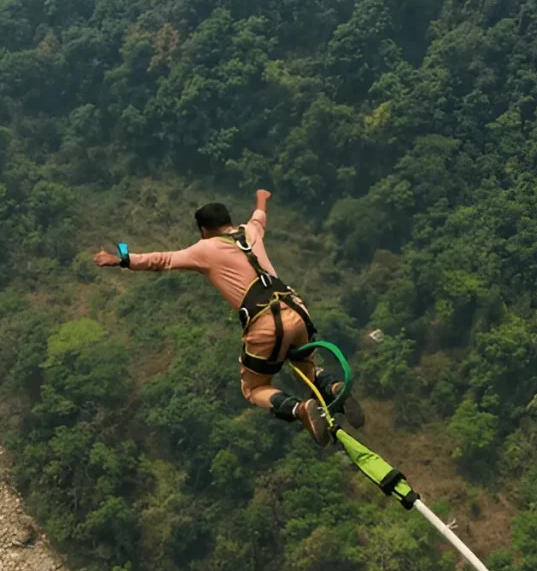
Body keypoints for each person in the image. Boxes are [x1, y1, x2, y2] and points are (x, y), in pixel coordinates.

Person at [93, 189, 363, 446]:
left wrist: (120, 260)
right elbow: (260, 216)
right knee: (305, 371)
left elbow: (163, 259)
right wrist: (261, 198)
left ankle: (299, 409)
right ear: (229, 221)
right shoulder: (250, 232)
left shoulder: (205, 248)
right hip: (296, 311)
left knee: (254, 388)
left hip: (264, 321)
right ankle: (335, 387)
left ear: (203, 230)